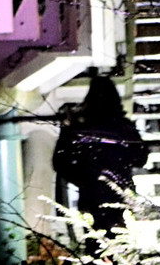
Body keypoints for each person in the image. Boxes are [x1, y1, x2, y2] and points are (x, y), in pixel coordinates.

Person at [53, 73, 149, 237]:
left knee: (95, 239)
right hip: (119, 190)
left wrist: (82, 178)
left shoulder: (79, 130)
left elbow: (60, 162)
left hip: (91, 192)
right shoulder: (124, 128)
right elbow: (140, 158)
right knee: (120, 240)